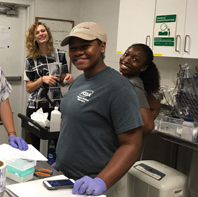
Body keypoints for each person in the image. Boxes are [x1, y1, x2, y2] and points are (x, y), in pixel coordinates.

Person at [55, 22, 143, 196]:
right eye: (73, 48)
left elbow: (132, 144)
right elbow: (72, 124)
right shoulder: (79, 81)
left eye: (85, 46)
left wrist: (101, 181)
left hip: (96, 185)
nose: (78, 52)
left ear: (102, 46)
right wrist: (60, 160)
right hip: (68, 180)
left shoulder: (118, 87)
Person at [24, 22, 73, 150]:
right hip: (36, 108)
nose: (41, 34)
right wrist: (41, 80)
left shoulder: (60, 54)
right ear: (33, 38)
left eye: (43, 31)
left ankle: (56, 169)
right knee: (37, 146)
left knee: (58, 144)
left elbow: (62, 80)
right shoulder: (30, 59)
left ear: (48, 33)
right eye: (37, 32)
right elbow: (28, 88)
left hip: (56, 106)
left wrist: (68, 78)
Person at [119, 43, 161, 136]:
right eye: (126, 54)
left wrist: (129, 142)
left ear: (143, 67)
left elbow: (148, 126)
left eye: (135, 59)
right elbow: (155, 106)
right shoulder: (127, 81)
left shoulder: (132, 86)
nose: (126, 60)